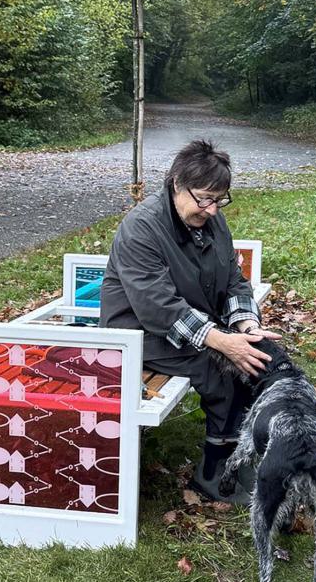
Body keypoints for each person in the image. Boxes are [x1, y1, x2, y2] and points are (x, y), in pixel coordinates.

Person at [100, 139, 281, 502]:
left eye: (220, 200)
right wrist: (222, 341)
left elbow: (233, 280)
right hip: (136, 333)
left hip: (189, 324)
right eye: (204, 199)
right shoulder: (142, 227)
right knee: (221, 365)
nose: (212, 210)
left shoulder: (212, 221)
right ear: (176, 184)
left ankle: (240, 456)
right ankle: (213, 474)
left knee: (259, 356)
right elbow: (158, 307)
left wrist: (247, 326)